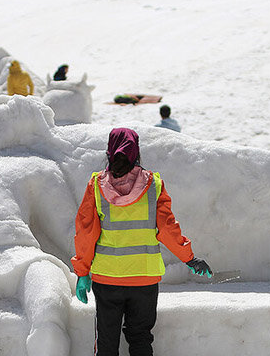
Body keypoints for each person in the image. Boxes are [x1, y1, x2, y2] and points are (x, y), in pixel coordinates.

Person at [71, 127, 211, 356]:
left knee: (106, 343)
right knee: (140, 339)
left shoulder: (96, 185)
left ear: (110, 151)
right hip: (144, 279)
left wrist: (83, 272)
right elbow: (167, 228)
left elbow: (85, 232)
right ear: (137, 152)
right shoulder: (153, 185)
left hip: (107, 279)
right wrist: (190, 258)